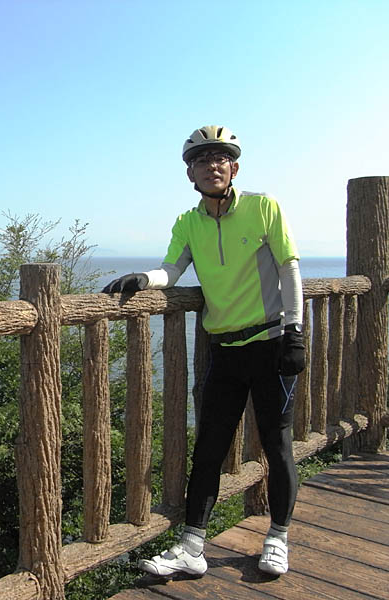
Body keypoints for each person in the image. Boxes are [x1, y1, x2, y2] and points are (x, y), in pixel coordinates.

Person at [102, 125, 305, 577]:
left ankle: (277, 537)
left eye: (220, 158)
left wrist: (295, 331)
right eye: (201, 160)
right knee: (209, 448)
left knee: (277, 445)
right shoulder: (187, 223)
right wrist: (144, 280)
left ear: (234, 168)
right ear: (189, 173)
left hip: (271, 345)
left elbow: (289, 269)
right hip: (225, 350)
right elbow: (172, 270)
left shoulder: (264, 207)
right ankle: (192, 547)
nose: (212, 166)